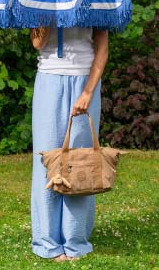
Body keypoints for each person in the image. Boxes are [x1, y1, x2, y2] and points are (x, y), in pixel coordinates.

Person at [29, 26, 109, 262]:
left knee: (81, 161)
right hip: (49, 80)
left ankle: (75, 241)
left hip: (85, 80)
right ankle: (47, 242)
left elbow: (102, 50)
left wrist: (87, 92)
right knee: (47, 161)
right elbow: (37, 44)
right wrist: (50, 14)